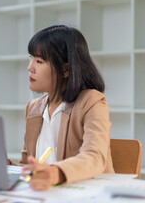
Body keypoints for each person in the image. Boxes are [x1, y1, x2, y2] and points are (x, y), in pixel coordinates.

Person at [8, 25, 114, 191]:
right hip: (47, 195)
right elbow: (27, 166)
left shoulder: (92, 101)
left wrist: (54, 174)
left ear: (65, 69)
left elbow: (94, 157)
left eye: (39, 61)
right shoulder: (33, 108)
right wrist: (6, 165)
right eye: (31, 58)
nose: (30, 67)